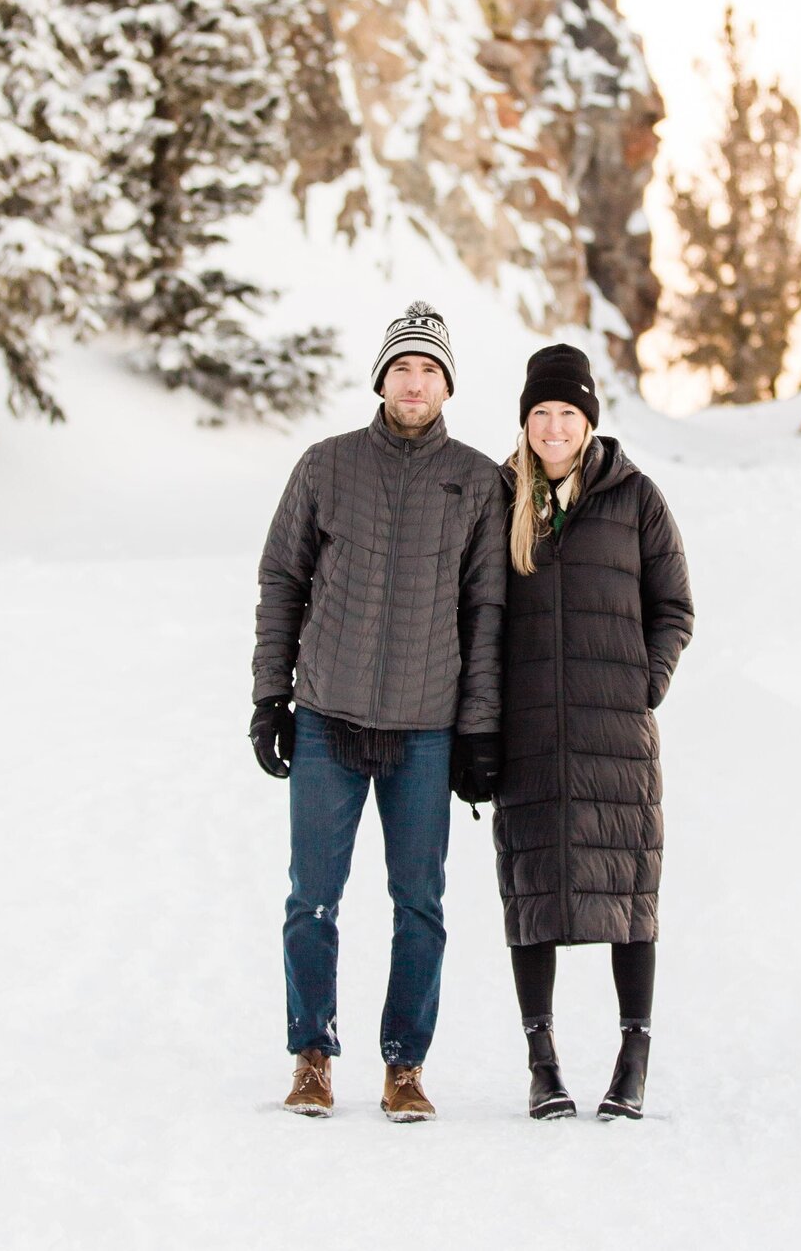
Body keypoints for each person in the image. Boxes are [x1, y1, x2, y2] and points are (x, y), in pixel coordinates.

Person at [250, 301, 506, 1122]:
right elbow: (281, 583)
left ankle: (405, 1065)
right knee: (311, 898)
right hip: (326, 714)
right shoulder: (326, 466)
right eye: (403, 367)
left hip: (425, 728)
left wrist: (477, 730)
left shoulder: (474, 480)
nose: (415, 382)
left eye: (430, 370)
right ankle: (312, 1056)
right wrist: (269, 696)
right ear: (381, 377)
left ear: (448, 385)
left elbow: (486, 615)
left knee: (419, 903)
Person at [492, 343, 694, 1121]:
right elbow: (479, 614)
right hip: (530, 732)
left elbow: (675, 605)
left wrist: (644, 682)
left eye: (565, 414)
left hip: (616, 732)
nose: (551, 428)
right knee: (532, 889)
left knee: (629, 891)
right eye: (539, 414)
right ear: (524, 420)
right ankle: (543, 1063)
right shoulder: (499, 496)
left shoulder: (635, 497)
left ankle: (632, 1056)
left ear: (588, 421)